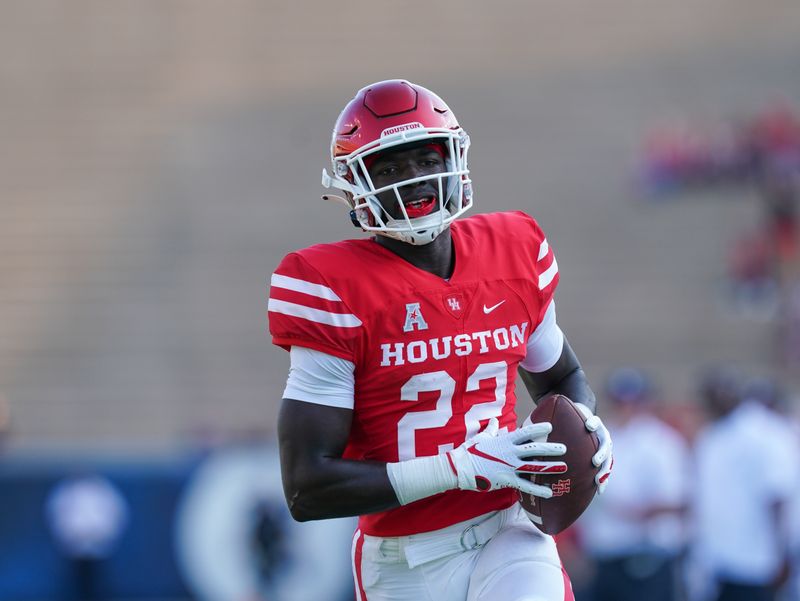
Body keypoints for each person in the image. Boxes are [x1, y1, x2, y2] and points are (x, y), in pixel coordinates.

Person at [268, 79, 613, 601]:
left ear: (454, 158)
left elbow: (561, 377)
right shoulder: (330, 286)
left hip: (508, 533)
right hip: (403, 559)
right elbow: (306, 487)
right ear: (355, 184)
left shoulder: (515, 251)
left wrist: (584, 425)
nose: (413, 179)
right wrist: (462, 465)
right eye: (388, 167)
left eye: (425, 159)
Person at [577, 367, 691, 601]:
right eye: (620, 400)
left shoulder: (662, 441)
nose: (625, 407)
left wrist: (637, 511)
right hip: (605, 554)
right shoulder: (602, 436)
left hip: (645, 556)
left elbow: (678, 499)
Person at [689, 367, 798, 601]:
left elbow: (778, 496)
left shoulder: (765, 432)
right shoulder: (712, 435)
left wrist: (782, 555)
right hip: (715, 560)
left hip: (756, 562)